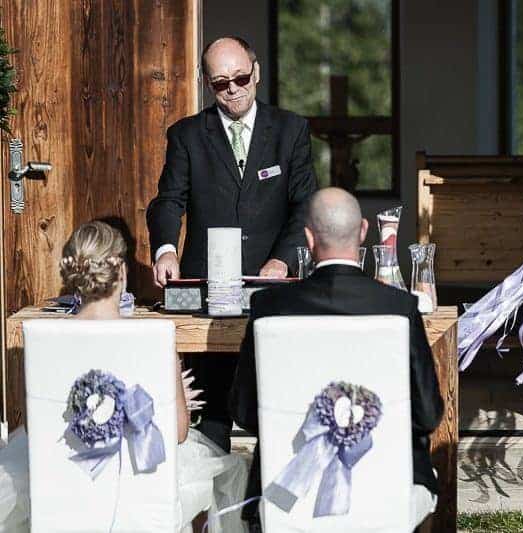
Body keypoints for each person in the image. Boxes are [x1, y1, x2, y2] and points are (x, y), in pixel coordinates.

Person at [0, 221, 248, 532]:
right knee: (208, 475)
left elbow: (37, 428)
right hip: (138, 491)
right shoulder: (156, 337)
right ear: (122, 271)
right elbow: (178, 433)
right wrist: (174, 401)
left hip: (66, 489)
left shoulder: (42, 340)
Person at [230, 188, 444, 531]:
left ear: (309, 238)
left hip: (288, 483)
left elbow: (244, 412)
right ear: (363, 231)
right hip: (386, 480)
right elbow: (428, 415)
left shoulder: (268, 306)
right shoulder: (399, 306)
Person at [146, 36, 317, 451]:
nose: (234, 89)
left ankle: (269, 492)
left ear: (256, 72)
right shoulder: (187, 135)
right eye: (222, 83)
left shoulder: (291, 130)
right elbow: (168, 200)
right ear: (208, 84)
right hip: (208, 290)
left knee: (277, 408)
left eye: (240, 78)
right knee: (211, 417)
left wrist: (282, 261)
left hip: (271, 287)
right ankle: (212, 491)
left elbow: (305, 205)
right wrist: (165, 249)